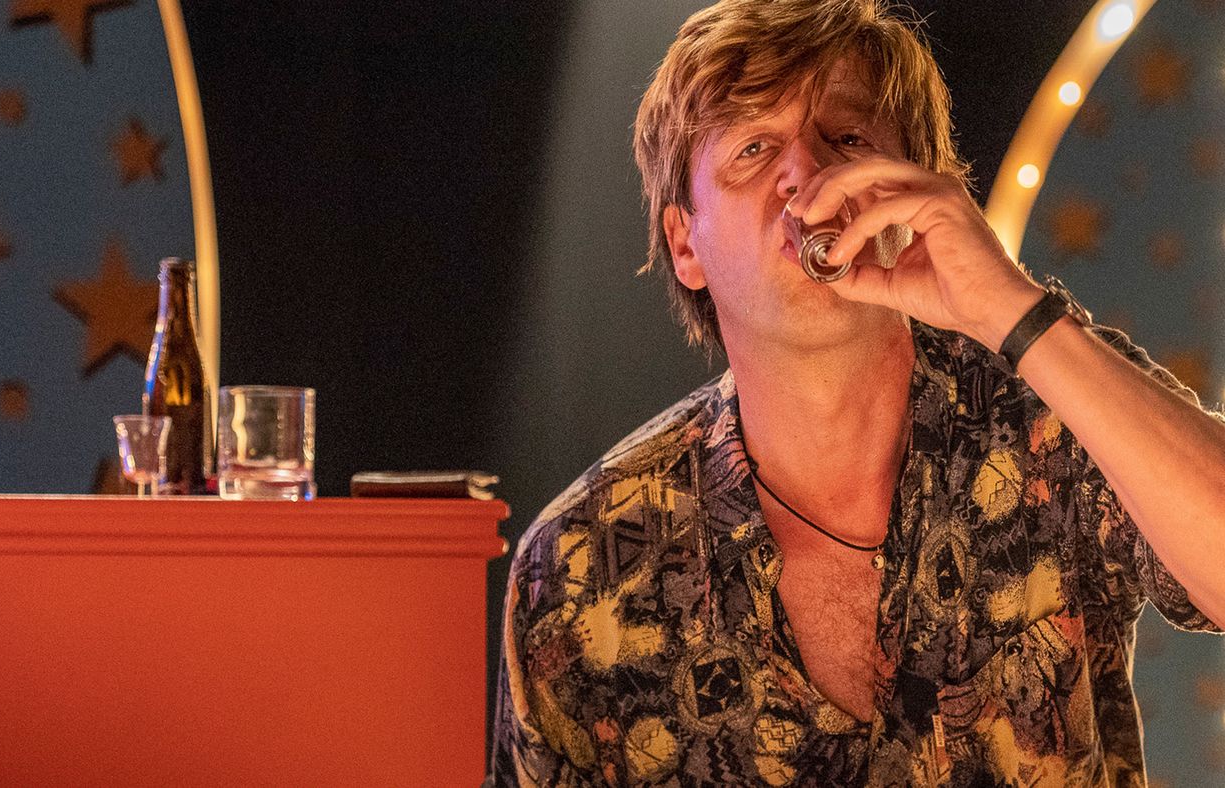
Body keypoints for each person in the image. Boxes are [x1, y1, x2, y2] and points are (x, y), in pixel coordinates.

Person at [489, 0, 1225, 785]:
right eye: (753, 149)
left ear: (919, 193)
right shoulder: (579, 566)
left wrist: (1008, 309)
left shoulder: (1055, 415)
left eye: (847, 140)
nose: (807, 176)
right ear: (684, 245)